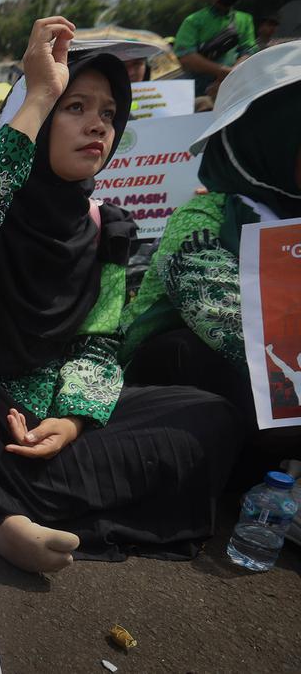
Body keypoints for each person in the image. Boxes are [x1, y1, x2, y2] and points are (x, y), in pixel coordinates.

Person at [0, 19, 241, 573]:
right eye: (75, 107)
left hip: (47, 416)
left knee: (207, 414)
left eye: (108, 114)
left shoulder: (106, 231)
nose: (97, 125)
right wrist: (40, 93)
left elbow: (97, 346)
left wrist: (71, 422)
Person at [121, 42, 301, 460]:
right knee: (189, 349)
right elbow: (224, 318)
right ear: (268, 136)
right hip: (181, 391)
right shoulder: (204, 218)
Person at [175, 0, 258, 96]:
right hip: (201, 90)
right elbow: (186, 57)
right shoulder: (193, 21)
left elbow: (249, 51)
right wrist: (225, 73)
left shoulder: (245, 19)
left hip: (236, 88)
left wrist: (228, 77)